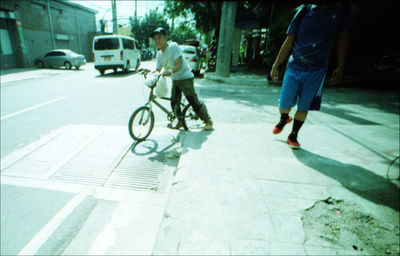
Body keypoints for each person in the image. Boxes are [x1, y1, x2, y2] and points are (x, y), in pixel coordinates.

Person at [270, 1, 354, 149]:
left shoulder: (342, 11)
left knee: (304, 106)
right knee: (284, 103)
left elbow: (343, 39)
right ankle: (284, 118)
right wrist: (275, 66)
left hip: (317, 70)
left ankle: (293, 135)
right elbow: (289, 40)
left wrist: (341, 65)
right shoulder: (305, 10)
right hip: (294, 66)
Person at [151, 27, 213, 130]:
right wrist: (145, 71)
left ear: (165, 38)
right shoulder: (159, 55)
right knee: (174, 102)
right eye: (155, 39)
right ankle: (180, 121)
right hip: (175, 79)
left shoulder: (173, 46)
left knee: (192, 100)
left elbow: (178, 65)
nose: (157, 41)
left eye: (160, 38)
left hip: (185, 77)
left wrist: (169, 72)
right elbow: (157, 70)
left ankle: (207, 120)